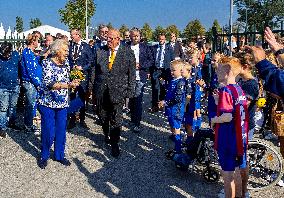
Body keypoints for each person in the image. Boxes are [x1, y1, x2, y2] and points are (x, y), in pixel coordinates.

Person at [37, 39, 80, 169]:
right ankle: (44, 155)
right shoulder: (47, 63)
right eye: (65, 50)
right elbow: (49, 83)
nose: (67, 53)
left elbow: (67, 79)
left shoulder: (66, 63)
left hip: (62, 103)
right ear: (57, 51)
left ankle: (59, 155)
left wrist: (74, 81)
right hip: (47, 103)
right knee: (49, 131)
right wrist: (67, 85)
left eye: (68, 51)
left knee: (61, 130)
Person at [93, 29, 136, 157]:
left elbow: (132, 74)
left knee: (116, 118)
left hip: (118, 91)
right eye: (108, 38)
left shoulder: (127, 53)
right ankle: (106, 133)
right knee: (102, 115)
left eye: (112, 38)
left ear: (119, 39)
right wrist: (92, 89)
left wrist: (130, 91)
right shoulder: (100, 51)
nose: (109, 41)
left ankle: (115, 143)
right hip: (101, 90)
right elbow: (94, 71)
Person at [212, 57, 249, 198]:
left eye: (219, 68)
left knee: (227, 175)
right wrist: (218, 101)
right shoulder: (238, 89)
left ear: (227, 71)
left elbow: (227, 116)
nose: (216, 71)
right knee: (237, 171)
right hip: (240, 137)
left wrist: (214, 120)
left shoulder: (227, 90)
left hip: (228, 138)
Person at [128, 27, 153, 132]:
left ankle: (137, 123)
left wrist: (141, 65)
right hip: (129, 77)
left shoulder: (145, 47)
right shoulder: (126, 46)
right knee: (131, 100)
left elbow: (151, 60)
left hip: (140, 77)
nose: (135, 38)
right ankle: (132, 119)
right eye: (133, 36)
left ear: (140, 36)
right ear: (130, 36)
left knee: (138, 100)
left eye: (137, 36)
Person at [68, 28, 94, 129]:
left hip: (82, 76)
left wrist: (82, 68)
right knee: (72, 96)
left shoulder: (86, 47)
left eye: (72, 35)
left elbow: (91, 61)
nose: (71, 37)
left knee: (82, 96)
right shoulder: (70, 46)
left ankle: (82, 119)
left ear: (78, 35)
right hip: (72, 75)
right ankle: (72, 119)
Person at [158, 60, 186, 154]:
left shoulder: (181, 83)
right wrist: (164, 84)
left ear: (181, 71)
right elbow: (169, 89)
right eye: (171, 70)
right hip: (170, 108)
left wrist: (165, 102)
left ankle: (178, 148)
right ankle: (174, 136)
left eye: (174, 70)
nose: (171, 72)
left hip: (176, 109)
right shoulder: (173, 80)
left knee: (176, 127)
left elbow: (178, 98)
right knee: (171, 124)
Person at [20, 33, 42, 132]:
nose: (39, 43)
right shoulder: (27, 53)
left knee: (32, 104)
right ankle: (28, 125)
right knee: (30, 104)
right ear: (33, 41)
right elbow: (31, 71)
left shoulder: (30, 53)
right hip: (30, 83)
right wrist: (38, 84)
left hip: (32, 82)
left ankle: (29, 123)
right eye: (38, 40)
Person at [0, 42, 21, 137]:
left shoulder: (16, 55)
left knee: (13, 106)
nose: (6, 56)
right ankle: (2, 128)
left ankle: (12, 123)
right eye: (4, 54)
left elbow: (21, 67)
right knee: (3, 108)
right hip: (3, 87)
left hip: (15, 86)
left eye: (7, 54)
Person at [149, 33, 174, 112]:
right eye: (160, 39)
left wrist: (173, 71)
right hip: (156, 70)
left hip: (165, 71)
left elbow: (172, 60)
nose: (161, 40)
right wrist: (149, 72)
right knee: (155, 88)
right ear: (158, 39)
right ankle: (154, 106)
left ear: (165, 39)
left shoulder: (169, 48)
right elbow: (150, 60)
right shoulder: (153, 48)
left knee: (164, 88)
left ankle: (162, 104)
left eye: (163, 39)